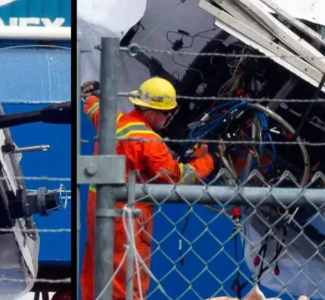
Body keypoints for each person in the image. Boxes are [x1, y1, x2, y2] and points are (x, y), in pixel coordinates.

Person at [80, 77, 221, 300]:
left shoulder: (114, 121)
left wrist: (90, 95)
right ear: (152, 112)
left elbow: (94, 109)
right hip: (127, 219)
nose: (169, 117)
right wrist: (209, 161)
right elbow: (176, 177)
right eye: (167, 112)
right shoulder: (148, 141)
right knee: (126, 285)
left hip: (96, 210)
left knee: (95, 276)